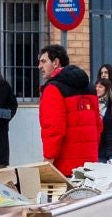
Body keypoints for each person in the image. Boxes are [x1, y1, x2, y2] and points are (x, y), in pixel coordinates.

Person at [37, 44, 102, 177]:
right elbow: (98, 125)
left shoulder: (53, 89)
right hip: (90, 165)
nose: (39, 66)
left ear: (55, 62)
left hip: (65, 167)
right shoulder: (89, 87)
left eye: (43, 61)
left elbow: (53, 129)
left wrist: (48, 160)